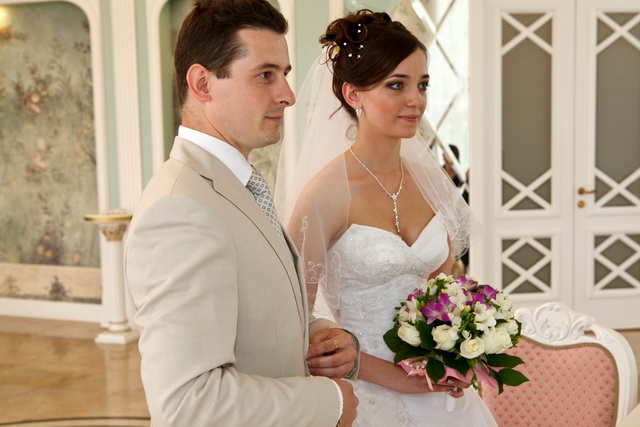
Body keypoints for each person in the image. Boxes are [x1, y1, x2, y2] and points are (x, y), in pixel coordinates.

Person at [124, 1, 359, 425]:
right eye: (265, 75)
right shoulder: (180, 210)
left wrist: (319, 335)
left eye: (284, 74)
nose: (287, 95)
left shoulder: (236, 184)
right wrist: (330, 403)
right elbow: (188, 405)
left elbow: (253, 314)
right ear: (202, 83)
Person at [276, 10, 494, 426]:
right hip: (366, 397)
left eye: (422, 84)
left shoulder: (433, 181)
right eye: (397, 85)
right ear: (353, 94)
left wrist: (462, 349)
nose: (416, 100)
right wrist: (398, 379)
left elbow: (444, 293)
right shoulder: (324, 195)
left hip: (443, 395)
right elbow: (294, 320)